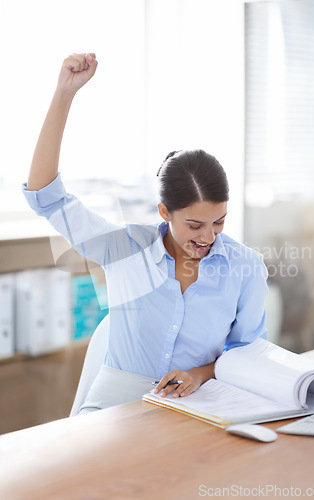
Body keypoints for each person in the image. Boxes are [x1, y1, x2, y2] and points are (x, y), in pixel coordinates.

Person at [23, 53, 268, 414]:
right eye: (194, 225)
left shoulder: (245, 266)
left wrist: (200, 374)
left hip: (198, 404)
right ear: (164, 212)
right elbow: (45, 197)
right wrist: (64, 94)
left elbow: (248, 354)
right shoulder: (126, 247)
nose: (209, 237)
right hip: (114, 406)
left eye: (219, 221)